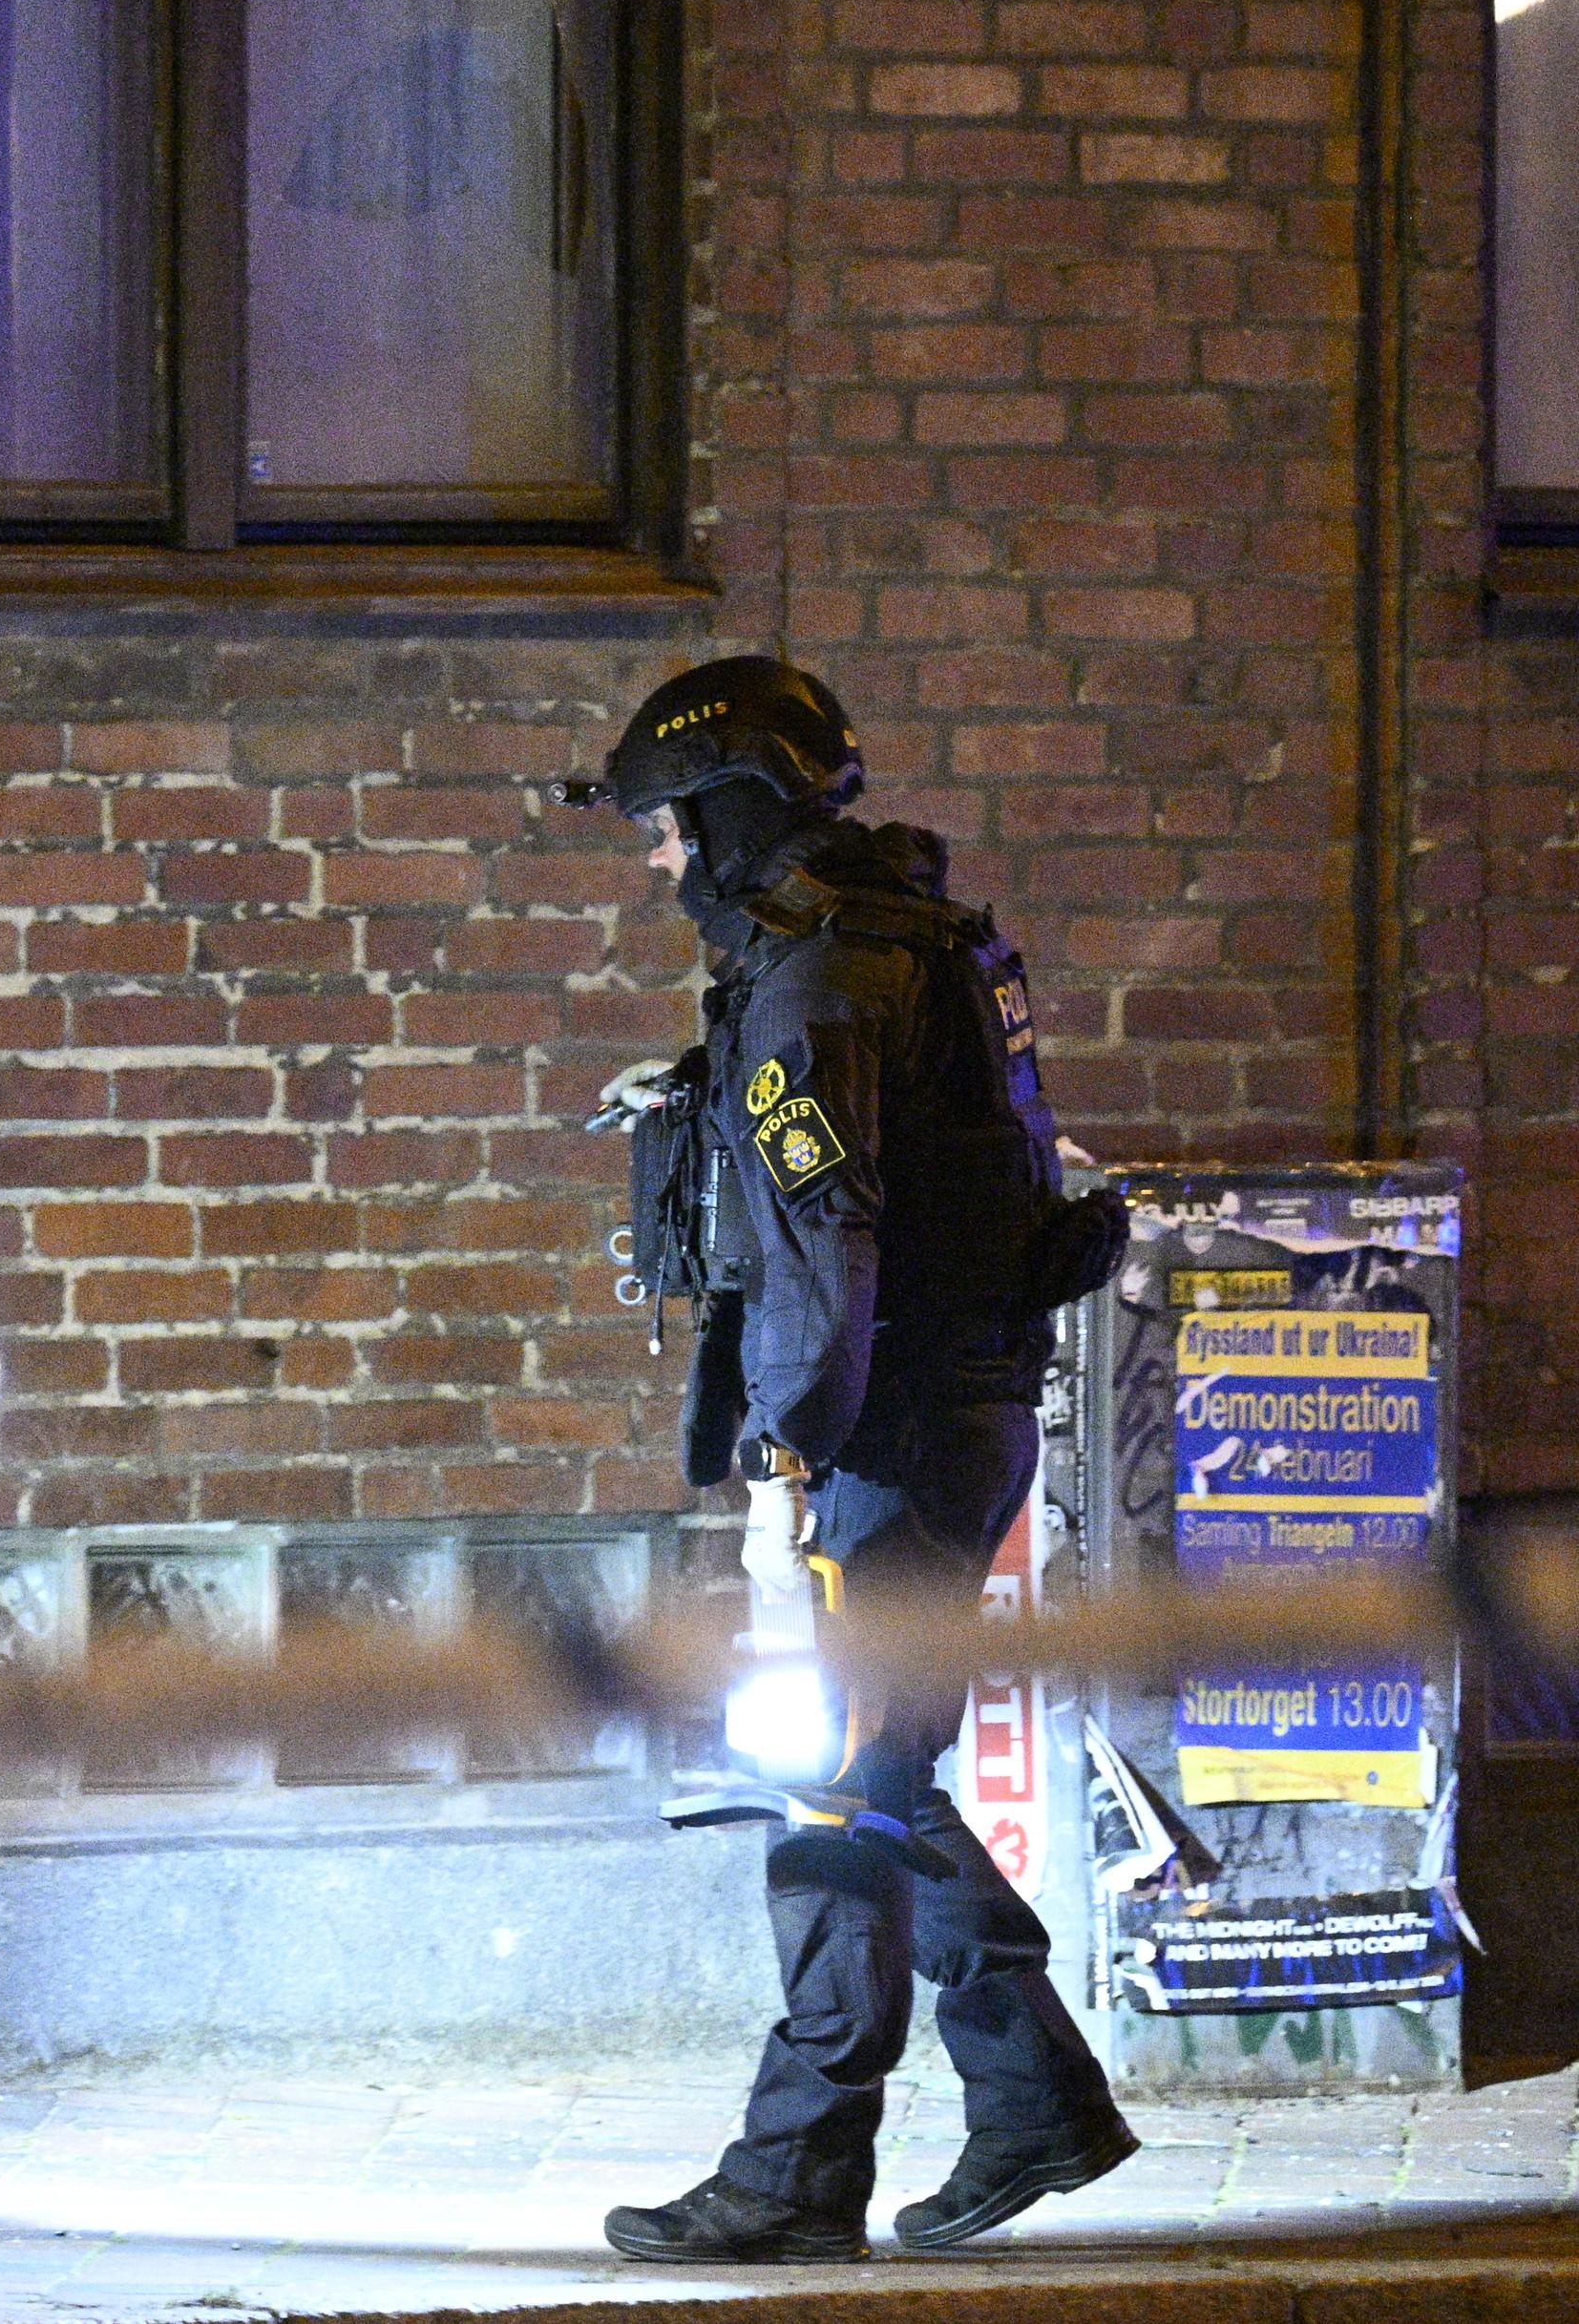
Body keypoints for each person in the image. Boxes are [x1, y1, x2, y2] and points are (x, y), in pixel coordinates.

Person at [576, 655, 1138, 2262]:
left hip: (879, 1429)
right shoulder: (913, 942)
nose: (661, 858)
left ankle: (800, 2170)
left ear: (731, 808)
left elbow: (828, 1234)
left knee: (830, 1782)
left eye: (671, 825)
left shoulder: (819, 979)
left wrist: (789, 1445)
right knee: (872, 1774)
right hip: (954, 1410)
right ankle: (1024, 2104)